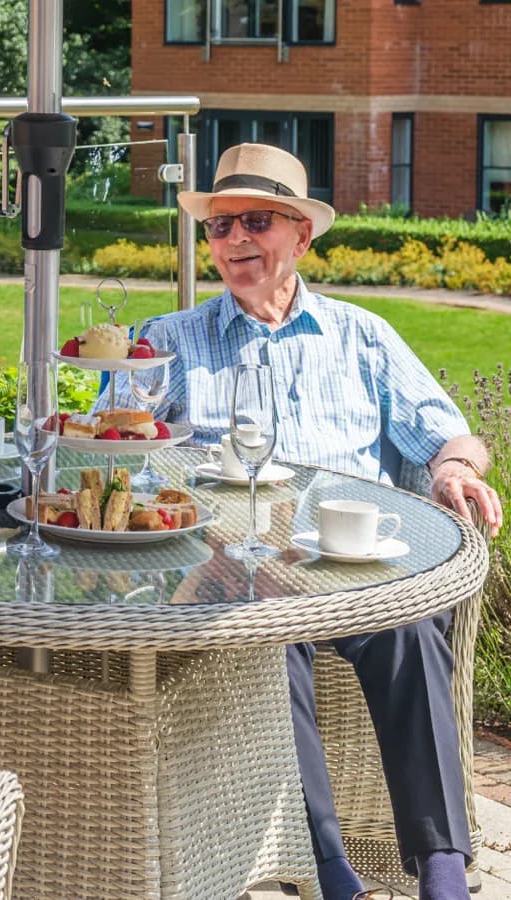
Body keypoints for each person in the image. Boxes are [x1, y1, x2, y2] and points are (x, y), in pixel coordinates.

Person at [121, 142, 503, 900]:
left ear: (301, 234)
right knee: (265, 637)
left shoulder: (362, 337)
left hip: (353, 568)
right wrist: (128, 429)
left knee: (413, 627)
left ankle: (441, 873)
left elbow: (452, 434)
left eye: (253, 223)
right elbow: (107, 452)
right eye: (219, 228)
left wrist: (455, 468)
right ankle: (331, 874)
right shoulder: (170, 342)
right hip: (229, 572)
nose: (233, 243)